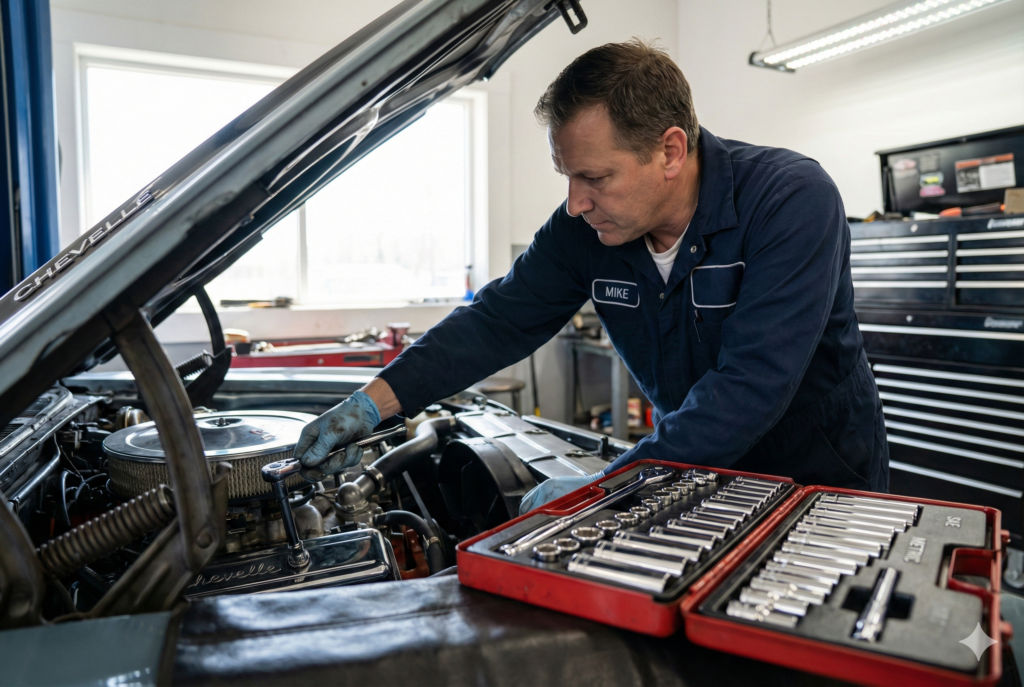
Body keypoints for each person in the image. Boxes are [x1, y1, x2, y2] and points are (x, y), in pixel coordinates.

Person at [293, 39, 889, 513]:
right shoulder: (586, 229)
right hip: (691, 474)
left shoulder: (789, 201)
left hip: (819, 481)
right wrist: (370, 406)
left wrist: (607, 489)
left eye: (595, 178)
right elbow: (497, 321)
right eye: (566, 176)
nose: (575, 203)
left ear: (671, 151)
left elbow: (753, 383)